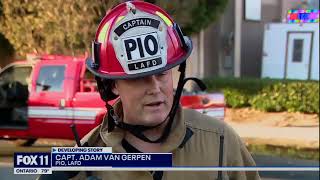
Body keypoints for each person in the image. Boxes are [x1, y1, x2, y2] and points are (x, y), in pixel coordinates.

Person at [72, 1, 260, 179]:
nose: (155, 88)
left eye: (162, 74)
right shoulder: (84, 157)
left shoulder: (220, 141)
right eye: (138, 78)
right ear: (112, 84)